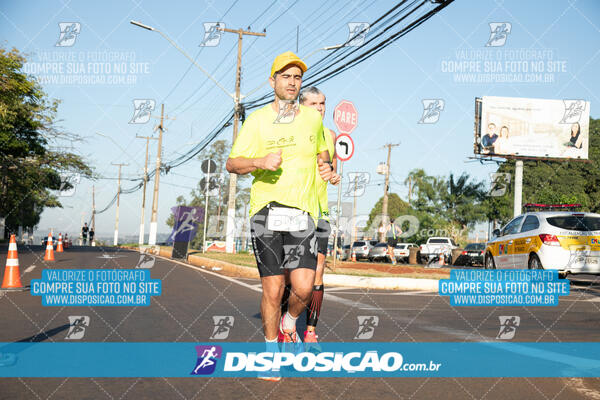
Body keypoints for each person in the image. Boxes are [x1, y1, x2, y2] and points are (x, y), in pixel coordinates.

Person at [226, 51, 333, 381]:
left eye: (297, 77)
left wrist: (327, 167)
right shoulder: (257, 121)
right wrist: (259, 162)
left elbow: (322, 151)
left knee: (303, 288)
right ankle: (271, 355)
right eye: (285, 76)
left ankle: (289, 323)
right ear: (272, 81)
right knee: (273, 290)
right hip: (266, 211)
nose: (292, 82)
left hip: (302, 213)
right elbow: (233, 163)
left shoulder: (312, 120)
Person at [281, 86, 341, 345]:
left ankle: (310, 332)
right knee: (289, 273)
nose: (320, 108)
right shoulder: (291, 132)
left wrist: (334, 175)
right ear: (302, 106)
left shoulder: (330, 135)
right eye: (314, 104)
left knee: (318, 271)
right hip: (294, 210)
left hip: (321, 212)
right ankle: (287, 323)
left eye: (323, 103)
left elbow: (330, 170)